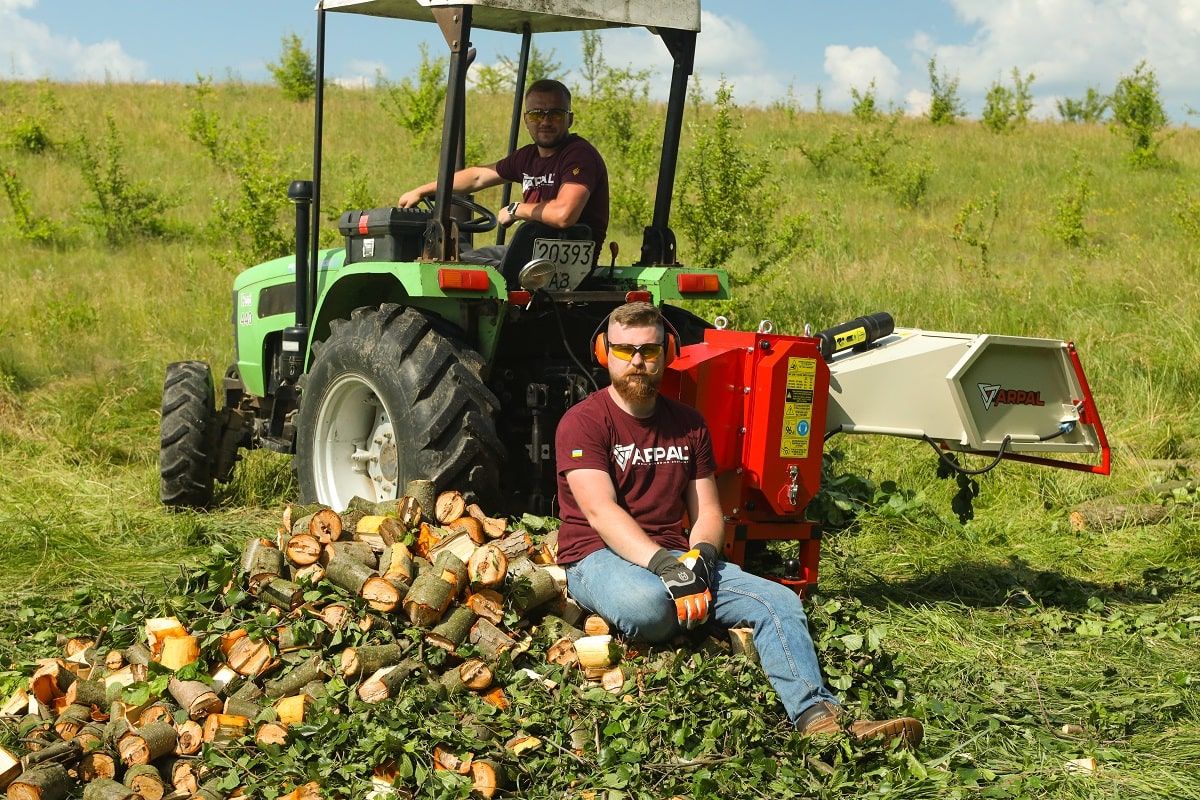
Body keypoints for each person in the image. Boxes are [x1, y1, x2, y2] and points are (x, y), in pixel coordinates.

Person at [554, 302, 924, 746]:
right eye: (625, 350)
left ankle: (820, 719)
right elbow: (601, 512)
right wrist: (665, 569)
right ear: (603, 352)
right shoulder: (583, 422)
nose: (637, 362)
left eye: (649, 352)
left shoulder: (688, 424)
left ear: (668, 353)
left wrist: (703, 559)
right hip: (597, 557)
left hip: (672, 554)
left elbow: (708, 510)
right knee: (648, 608)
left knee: (779, 602)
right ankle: (687, 614)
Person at [398, 78, 609, 266]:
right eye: (536, 115)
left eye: (555, 115)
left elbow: (564, 215)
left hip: (562, 263)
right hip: (532, 254)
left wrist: (516, 209)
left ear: (569, 119)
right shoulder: (528, 157)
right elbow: (478, 176)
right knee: (462, 257)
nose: (545, 122)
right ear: (526, 120)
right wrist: (422, 191)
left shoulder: (579, 155)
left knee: (451, 265)